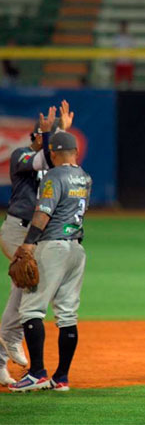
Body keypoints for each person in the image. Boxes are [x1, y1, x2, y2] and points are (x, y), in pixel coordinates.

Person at [8, 131, 91, 392]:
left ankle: (37, 373)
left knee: (31, 310)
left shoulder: (54, 176)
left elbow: (43, 212)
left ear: (53, 153)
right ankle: (62, 378)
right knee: (67, 314)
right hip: (76, 249)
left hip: (52, 246)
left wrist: (28, 243)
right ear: (75, 152)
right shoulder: (85, 177)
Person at [0, 102, 73, 387]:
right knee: (28, 283)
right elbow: (42, 160)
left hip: (38, 235)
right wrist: (50, 135)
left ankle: (3, 352)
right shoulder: (22, 155)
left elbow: (57, 161)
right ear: (36, 138)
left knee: (25, 287)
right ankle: (12, 339)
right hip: (17, 231)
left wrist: (59, 132)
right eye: (48, 141)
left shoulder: (53, 159)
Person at [113, 20, 135, 89]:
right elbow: (114, 50)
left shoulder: (130, 38)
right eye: (122, 27)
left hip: (128, 62)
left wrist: (132, 60)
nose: (123, 28)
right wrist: (114, 61)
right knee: (118, 82)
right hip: (119, 62)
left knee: (129, 82)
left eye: (124, 27)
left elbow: (132, 50)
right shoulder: (117, 37)